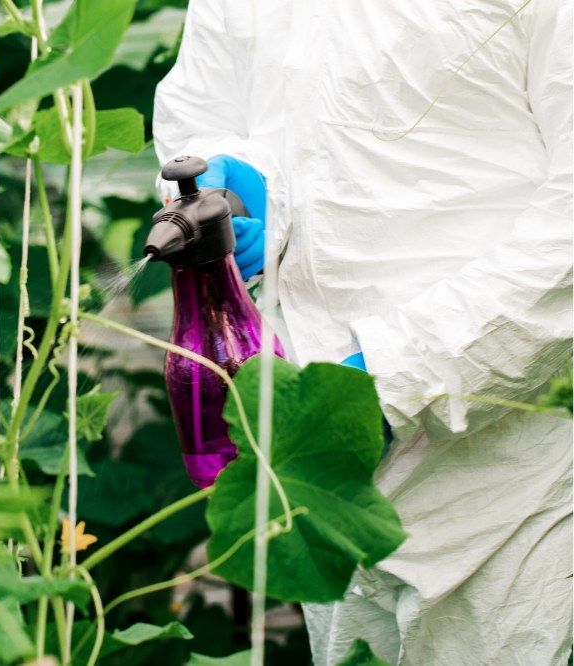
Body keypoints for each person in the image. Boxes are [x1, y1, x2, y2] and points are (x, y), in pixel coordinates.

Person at [152, 1, 573, 664]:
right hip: (319, 463)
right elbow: (210, 102)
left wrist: (396, 377)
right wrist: (241, 179)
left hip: (501, 473)